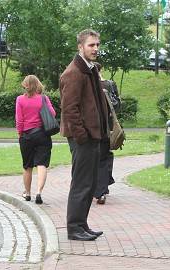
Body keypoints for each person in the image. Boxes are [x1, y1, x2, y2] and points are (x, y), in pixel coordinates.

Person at [60, 29, 109, 241]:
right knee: (81, 183)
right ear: (80, 46)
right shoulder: (73, 73)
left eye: (97, 44)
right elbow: (69, 109)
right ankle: (74, 228)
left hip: (93, 136)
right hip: (83, 138)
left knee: (89, 182)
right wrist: (81, 136)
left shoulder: (89, 70)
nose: (96, 48)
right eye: (91, 45)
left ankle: (82, 224)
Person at [15, 75, 56, 205]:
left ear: (25, 85)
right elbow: (53, 114)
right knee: (42, 164)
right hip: (42, 134)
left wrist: (20, 134)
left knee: (27, 166)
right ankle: (39, 192)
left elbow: (19, 120)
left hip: (26, 135)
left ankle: (27, 193)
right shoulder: (44, 98)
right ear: (38, 84)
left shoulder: (20, 99)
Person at [93, 62, 118, 204]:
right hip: (106, 128)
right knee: (103, 159)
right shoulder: (108, 85)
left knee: (92, 160)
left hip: (89, 128)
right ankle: (101, 191)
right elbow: (117, 105)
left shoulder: (87, 86)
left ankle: (96, 188)